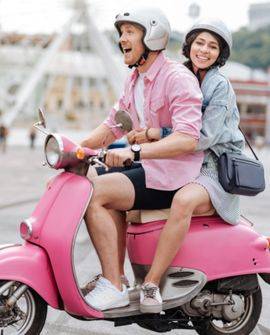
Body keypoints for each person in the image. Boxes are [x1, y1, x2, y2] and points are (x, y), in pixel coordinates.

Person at [80, 7, 204, 311]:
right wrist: (76, 150)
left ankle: (113, 284)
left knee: (95, 194)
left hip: (173, 176)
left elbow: (188, 138)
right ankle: (117, 278)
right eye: (121, 32)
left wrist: (134, 151)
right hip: (151, 169)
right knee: (89, 178)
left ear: (152, 37)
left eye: (129, 32)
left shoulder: (177, 78)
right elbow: (114, 125)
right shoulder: (134, 80)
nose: (122, 39)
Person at [126, 18, 245, 313]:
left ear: (221, 53)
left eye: (213, 46)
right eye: (200, 42)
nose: (204, 50)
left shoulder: (220, 86)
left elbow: (202, 138)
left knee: (182, 201)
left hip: (214, 166)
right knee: (129, 200)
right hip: (181, 161)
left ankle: (152, 283)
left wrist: (154, 135)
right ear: (189, 44)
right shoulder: (181, 75)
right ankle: (132, 280)